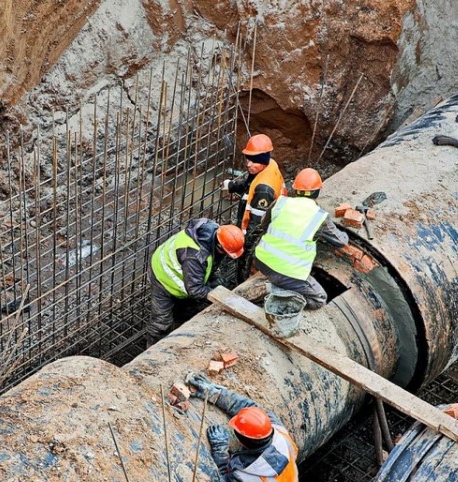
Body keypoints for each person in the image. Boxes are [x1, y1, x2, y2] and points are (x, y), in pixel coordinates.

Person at [254, 168, 347, 309]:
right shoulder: (319, 216)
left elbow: (264, 225)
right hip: (285, 273)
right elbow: (340, 241)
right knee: (319, 299)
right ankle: (276, 292)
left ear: (295, 190)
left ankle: (276, 283)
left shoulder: (280, 203)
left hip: (261, 261)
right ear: (317, 192)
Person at [147, 218, 245, 344]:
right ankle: (153, 351)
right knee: (161, 323)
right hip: (163, 278)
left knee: (186, 311)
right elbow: (195, 290)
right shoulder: (195, 257)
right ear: (219, 245)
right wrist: (218, 294)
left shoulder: (213, 231)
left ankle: (178, 329)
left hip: (182, 270)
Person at [222, 134, 287, 283]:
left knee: (244, 263)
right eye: (248, 159)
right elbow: (249, 183)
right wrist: (232, 186)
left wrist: (245, 246)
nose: (249, 164)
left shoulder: (264, 190)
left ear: (262, 160)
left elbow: (256, 225)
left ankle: (241, 282)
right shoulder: (269, 165)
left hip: (260, 232)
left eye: (254, 161)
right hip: (270, 218)